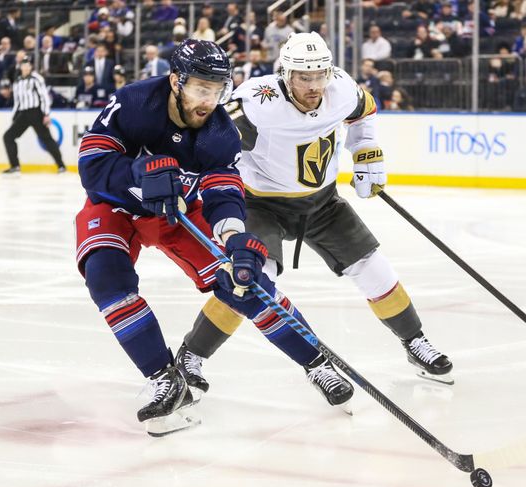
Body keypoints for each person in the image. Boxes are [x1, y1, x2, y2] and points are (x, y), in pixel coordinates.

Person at [75, 39, 352, 436]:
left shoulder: (220, 133)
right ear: (176, 81)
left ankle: (316, 362)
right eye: (200, 88)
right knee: (106, 276)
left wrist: (235, 237)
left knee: (245, 281)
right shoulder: (135, 102)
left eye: (218, 90)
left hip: (179, 213)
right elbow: (92, 164)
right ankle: (163, 377)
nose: (209, 100)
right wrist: (138, 172)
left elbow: (223, 192)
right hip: (114, 206)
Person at [179, 32, 455, 408]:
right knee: (250, 283)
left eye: (320, 75)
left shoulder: (341, 88)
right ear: (285, 73)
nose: (314, 86)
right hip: (262, 205)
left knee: (374, 267)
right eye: (304, 77)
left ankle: (414, 341)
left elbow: (365, 111)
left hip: (322, 201)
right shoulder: (258, 103)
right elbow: (208, 142)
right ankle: (191, 356)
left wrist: (366, 150)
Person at [2, 56, 66, 175]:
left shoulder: (36, 79)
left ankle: (61, 166)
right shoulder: (17, 81)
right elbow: (17, 102)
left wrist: (46, 113)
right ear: (20, 66)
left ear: (31, 66)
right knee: (8, 137)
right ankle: (15, 166)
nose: (26, 67)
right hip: (23, 113)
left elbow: (44, 97)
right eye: (23, 64)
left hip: (36, 112)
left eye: (28, 64)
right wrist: (14, 117)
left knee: (47, 139)